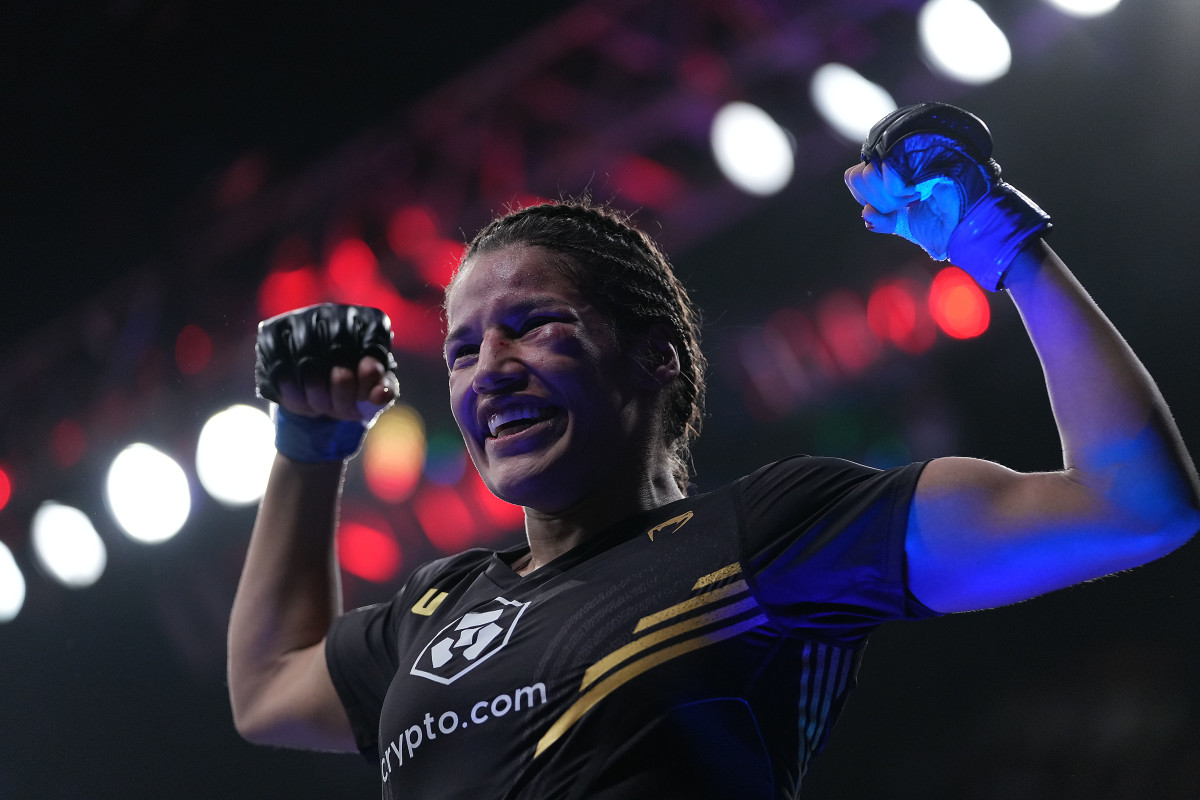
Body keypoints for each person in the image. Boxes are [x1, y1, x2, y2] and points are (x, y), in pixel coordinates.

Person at [226, 103, 1200, 799]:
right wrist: (310, 446)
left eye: (532, 325)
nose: (491, 369)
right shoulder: (435, 609)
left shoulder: (766, 534)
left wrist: (1000, 241)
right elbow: (269, 686)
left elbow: (1134, 504)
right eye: (465, 347)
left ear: (655, 355)